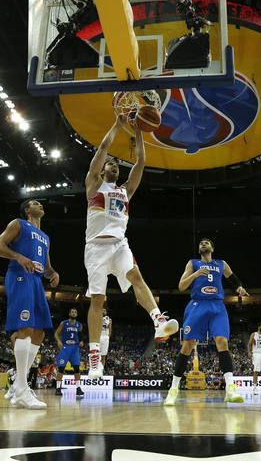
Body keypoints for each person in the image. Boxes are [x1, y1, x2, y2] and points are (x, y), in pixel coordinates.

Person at [84, 116, 178, 378]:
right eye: (110, 165)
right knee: (98, 300)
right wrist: (116, 124)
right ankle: (94, 356)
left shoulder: (126, 191)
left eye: (116, 165)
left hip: (119, 245)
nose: (113, 166)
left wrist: (138, 132)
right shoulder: (93, 186)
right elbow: (102, 150)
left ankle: (158, 321)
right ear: (103, 171)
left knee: (137, 276)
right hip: (96, 248)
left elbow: (141, 162)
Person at [164, 238, 249, 406]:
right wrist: (195, 274)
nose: (203, 244)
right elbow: (181, 286)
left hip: (217, 306)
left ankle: (230, 389)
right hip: (197, 305)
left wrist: (239, 287)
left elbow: (234, 280)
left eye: (207, 243)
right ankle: (173, 390)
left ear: (212, 248)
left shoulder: (221, 264)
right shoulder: (193, 263)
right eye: (201, 243)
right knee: (187, 345)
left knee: (222, 342)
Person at [0, 199, 59, 409]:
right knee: (26, 328)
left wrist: (53, 273)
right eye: (35, 203)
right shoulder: (18, 224)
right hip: (20, 276)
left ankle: (18, 384)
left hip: (37, 281)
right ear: (28, 210)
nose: (40, 205)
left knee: (39, 332)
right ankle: (21, 388)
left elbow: (46, 267)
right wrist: (18, 256)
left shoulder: (45, 237)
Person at [54, 308, 85, 397]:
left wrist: (82, 341)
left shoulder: (79, 325)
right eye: (72, 312)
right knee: (61, 369)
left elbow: (80, 335)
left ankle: (78, 389)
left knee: (77, 369)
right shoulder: (64, 323)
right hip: (65, 347)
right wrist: (58, 341)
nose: (74, 313)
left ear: (77, 314)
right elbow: (56, 333)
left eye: (75, 312)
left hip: (75, 348)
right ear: (69, 313)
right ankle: (58, 388)